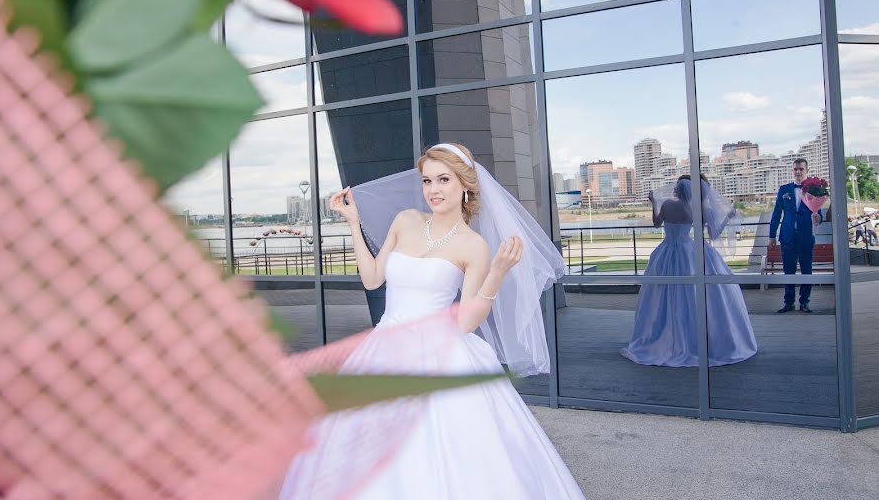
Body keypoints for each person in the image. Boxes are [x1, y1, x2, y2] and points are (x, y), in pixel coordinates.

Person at [278, 143, 585, 499]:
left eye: (443, 180)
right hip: (385, 346)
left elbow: (466, 322)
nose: (434, 190)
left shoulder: (473, 246)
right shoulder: (406, 220)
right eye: (427, 181)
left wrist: (497, 274)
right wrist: (352, 224)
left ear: (465, 185)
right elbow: (373, 278)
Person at [620, 175, 758, 367]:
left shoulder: (667, 204)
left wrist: (654, 204)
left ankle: (662, 335)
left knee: (663, 295)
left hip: (666, 252)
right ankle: (696, 338)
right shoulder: (699, 209)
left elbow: (656, 224)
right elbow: (714, 234)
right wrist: (727, 217)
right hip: (689, 252)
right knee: (696, 293)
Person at [769, 158, 824, 314]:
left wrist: (817, 218)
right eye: (795, 169)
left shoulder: (814, 190)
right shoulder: (784, 189)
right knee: (788, 271)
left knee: (807, 271)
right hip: (787, 237)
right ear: (792, 171)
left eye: (801, 169)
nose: (798, 172)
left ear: (806, 170)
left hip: (806, 236)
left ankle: (804, 302)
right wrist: (772, 235)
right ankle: (788, 302)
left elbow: (818, 214)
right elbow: (776, 214)